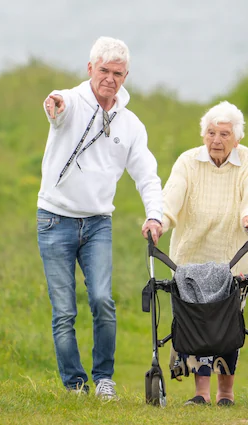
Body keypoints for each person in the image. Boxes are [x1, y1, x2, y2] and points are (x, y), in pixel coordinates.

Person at [36, 36, 163, 399]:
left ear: (126, 77)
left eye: (118, 73)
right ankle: (75, 385)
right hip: (53, 220)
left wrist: (154, 215)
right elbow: (57, 108)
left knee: (103, 301)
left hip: (97, 225)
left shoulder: (131, 125)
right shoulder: (70, 101)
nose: (110, 78)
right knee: (64, 311)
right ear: (90, 69)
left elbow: (147, 175)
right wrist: (53, 105)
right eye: (103, 70)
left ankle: (104, 379)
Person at [161, 100, 248, 406]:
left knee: (226, 320)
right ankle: (201, 393)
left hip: (233, 254)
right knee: (197, 321)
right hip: (192, 255)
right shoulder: (187, 161)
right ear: (203, 134)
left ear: (237, 138)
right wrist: (160, 220)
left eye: (224, 134)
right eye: (210, 133)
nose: (216, 140)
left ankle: (226, 392)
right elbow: (172, 195)